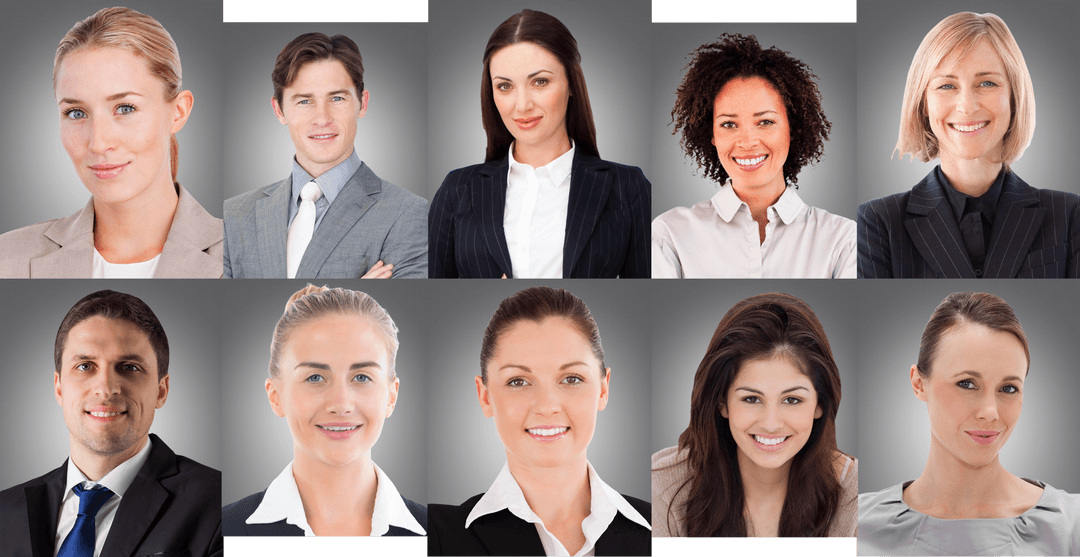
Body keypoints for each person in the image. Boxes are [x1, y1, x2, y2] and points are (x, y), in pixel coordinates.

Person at [0, 7, 222, 279]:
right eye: (76, 113)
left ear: (178, 112)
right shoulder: (7, 258)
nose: (98, 143)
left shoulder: (241, 253)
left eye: (125, 108)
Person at [428, 9, 651, 278]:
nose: (522, 105)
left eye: (540, 81)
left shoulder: (627, 187)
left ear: (571, 83)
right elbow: (433, 294)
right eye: (505, 86)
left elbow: (645, 295)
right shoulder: (456, 189)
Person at [427, 287, 651, 555]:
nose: (547, 407)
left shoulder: (663, 528)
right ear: (485, 397)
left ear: (603, 390)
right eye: (518, 382)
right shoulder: (432, 535)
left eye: (571, 379)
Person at [0, 290, 223, 556]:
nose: (106, 389)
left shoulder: (221, 505)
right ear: (59, 387)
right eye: (85, 366)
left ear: (161, 391)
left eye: (129, 367)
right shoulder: (4, 510)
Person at [858, 12, 1080, 278]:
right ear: (923, 104)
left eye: (987, 83)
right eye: (946, 86)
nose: (967, 106)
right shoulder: (879, 222)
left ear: (1014, 97)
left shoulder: (1069, 215)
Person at [857, 292, 1080, 555]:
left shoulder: (1072, 525)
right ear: (919, 383)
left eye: (1008, 388)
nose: (990, 412)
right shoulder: (850, 522)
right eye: (967, 384)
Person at [221, 286, 425, 537]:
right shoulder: (222, 532)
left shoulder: (436, 535)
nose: (341, 404)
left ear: (391, 396)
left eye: (361, 377)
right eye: (315, 378)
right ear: (276, 396)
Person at [223, 33, 428, 279]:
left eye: (337, 98)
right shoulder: (233, 215)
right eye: (304, 101)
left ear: (362, 104)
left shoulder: (410, 213)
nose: (322, 118)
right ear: (279, 110)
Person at [652, 293, 856, 537]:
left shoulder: (856, 497)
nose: (770, 424)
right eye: (751, 399)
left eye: (792, 400)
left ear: (819, 405)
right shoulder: (661, 486)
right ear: (722, 403)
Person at [652, 34, 854, 278]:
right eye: (728, 124)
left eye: (765, 122)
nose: (747, 142)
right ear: (711, 135)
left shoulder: (843, 239)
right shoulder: (670, 234)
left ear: (792, 128)